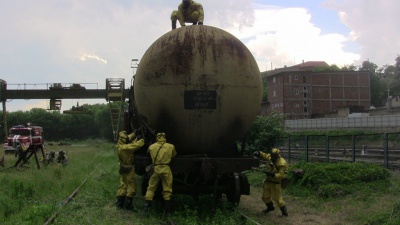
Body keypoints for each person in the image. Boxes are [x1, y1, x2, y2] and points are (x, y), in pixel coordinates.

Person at [144, 132, 176, 213]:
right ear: (165, 137)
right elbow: (174, 154)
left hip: (156, 169)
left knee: (151, 187)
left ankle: (147, 207)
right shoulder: (171, 146)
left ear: (157, 138)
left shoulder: (151, 147)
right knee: (167, 188)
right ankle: (167, 208)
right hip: (166, 169)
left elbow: (148, 152)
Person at [253, 148, 289, 217]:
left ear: (278, 155)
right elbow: (265, 155)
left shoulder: (282, 163)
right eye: (272, 155)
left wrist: (272, 174)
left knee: (277, 199)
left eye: (274, 155)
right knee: (265, 197)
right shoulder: (270, 157)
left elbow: (281, 175)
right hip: (268, 181)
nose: (272, 157)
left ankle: (284, 213)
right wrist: (259, 153)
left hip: (276, 183)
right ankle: (270, 208)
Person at [116, 131, 145, 210]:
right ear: (124, 140)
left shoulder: (120, 145)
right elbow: (133, 146)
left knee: (123, 185)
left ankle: (119, 203)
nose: (128, 138)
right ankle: (128, 206)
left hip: (122, 168)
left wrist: (134, 134)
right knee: (131, 187)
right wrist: (141, 140)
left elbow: (129, 143)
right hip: (128, 168)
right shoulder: (125, 148)